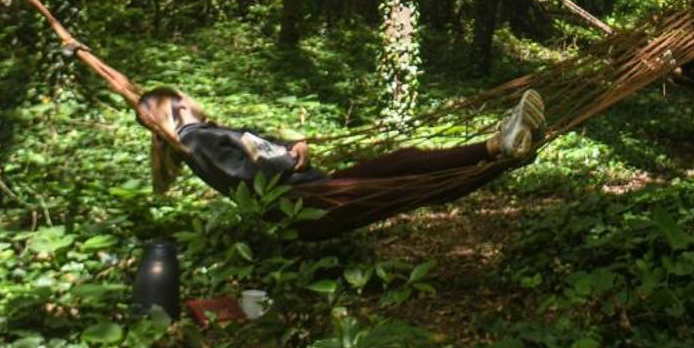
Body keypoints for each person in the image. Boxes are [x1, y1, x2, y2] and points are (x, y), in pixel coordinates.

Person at [134, 86, 546, 240]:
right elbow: (249, 177)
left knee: (405, 167)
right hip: (306, 204)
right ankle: (502, 153)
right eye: (184, 98)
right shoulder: (197, 142)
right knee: (409, 183)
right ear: (178, 106)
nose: (193, 100)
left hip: (312, 192)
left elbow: (264, 152)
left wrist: (296, 148)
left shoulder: (205, 136)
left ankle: (500, 148)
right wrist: (289, 165)